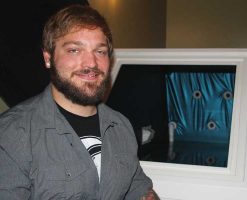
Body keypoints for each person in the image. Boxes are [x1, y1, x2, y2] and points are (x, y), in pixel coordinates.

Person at [0, 4, 159, 200]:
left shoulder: (121, 126)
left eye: (100, 51)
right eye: (74, 50)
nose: (91, 63)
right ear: (48, 58)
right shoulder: (11, 134)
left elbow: (138, 187)